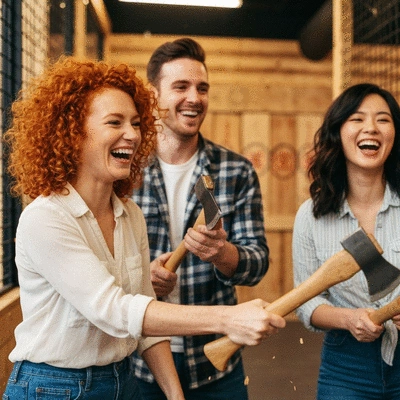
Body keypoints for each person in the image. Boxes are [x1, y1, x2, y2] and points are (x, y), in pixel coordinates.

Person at [2, 57, 286, 400]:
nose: (133, 135)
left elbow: (143, 322)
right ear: (73, 134)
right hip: (53, 387)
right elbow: (115, 310)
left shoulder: (129, 214)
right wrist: (227, 319)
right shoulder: (45, 218)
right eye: (115, 122)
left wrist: (174, 395)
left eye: (136, 123)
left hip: (121, 382)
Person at [131, 37, 270, 399]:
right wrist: (140, 277)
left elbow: (257, 263)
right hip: (138, 362)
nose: (194, 97)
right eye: (181, 86)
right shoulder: (125, 170)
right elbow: (100, 261)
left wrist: (221, 254)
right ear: (153, 95)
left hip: (215, 362)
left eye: (202, 88)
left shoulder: (235, 171)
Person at [293, 83, 400, 399]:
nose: (371, 127)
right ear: (338, 132)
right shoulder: (311, 216)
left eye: (383, 119)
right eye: (357, 118)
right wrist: (348, 319)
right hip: (346, 368)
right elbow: (306, 303)